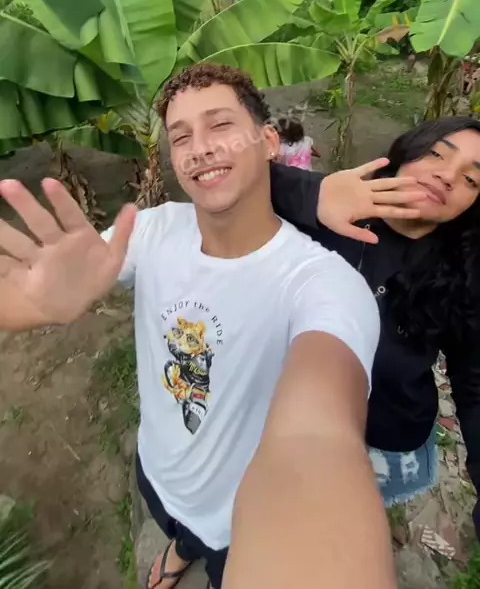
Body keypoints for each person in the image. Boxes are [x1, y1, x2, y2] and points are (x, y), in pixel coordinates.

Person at [0, 63, 399, 589]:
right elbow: (27, 295)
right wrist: (37, 305)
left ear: (269, 141)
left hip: (238, 521)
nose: (200, 148)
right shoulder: (151, 231)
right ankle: (179, 547)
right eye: (181, 136)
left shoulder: (323, 285)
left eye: (220, 125)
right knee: (177, 528)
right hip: (158, 466)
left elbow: (317, 438)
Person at [270, 116, 480, 534]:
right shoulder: (328, 210)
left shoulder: (464, 274)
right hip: (292, 408)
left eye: (472, 180)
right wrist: (314, 194)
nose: (447, 176)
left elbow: (475, 387)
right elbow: (238, 181)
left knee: (338, 520)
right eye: (437, 153)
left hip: (384, 432)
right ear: (405, 152)